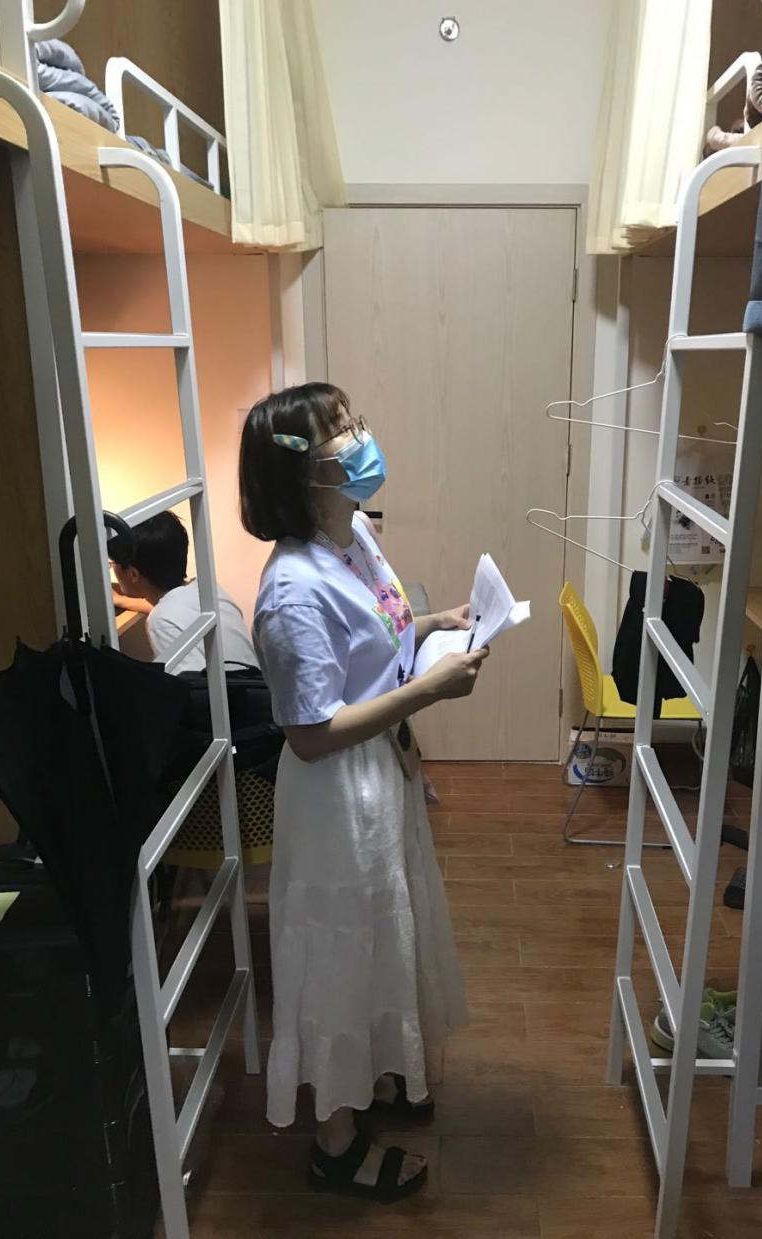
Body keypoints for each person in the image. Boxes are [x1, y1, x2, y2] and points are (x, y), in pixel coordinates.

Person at [239, 382, 487, 1202]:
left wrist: (432, 625)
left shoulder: (354, 537)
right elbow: (310, 733)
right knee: (340, 954)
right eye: (339, 431)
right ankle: (334, 1145)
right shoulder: (290, 593)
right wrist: (428, 690)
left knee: (384, 933)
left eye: (353, 421)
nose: (359, 438)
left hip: (382, 778)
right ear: (297, 469)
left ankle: (379, 1074)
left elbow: (374, 635)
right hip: (336, 795)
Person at [110, 510, 258, 674]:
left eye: (112, 563)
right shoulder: (205, 590)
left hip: (229, 690)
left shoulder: (161, 621)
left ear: (133, 574)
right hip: (253, 684)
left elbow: (191, 687)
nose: (111, 567)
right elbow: (172, 610)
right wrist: (120, 600)